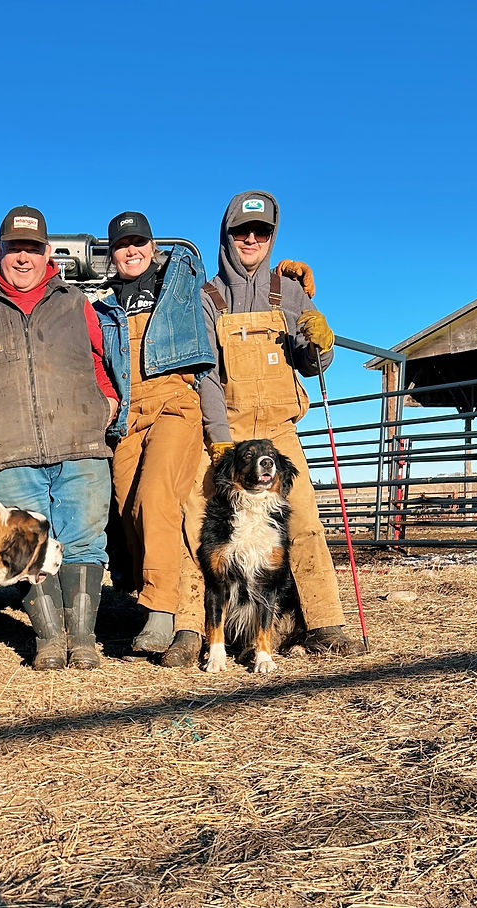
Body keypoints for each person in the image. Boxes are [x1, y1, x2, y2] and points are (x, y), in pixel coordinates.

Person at [0, 206, 118, 670]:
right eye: (13, 249)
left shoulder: (75, 303)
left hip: (80, 441)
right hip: (6, 450)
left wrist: (107, 404)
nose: (23, 258)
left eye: (32, 249)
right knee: (24, 545)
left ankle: (80, 639)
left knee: (84, 541)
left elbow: (101, 361)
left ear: (47, 254)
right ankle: (47, 640)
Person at [197, 190, 361, 655]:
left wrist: (320, 343)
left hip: (278, 430)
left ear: (272, 237)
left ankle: (325, 622)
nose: (251, 239)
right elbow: (207, 373)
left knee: (305, 519)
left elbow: (312, 362)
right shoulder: (209, 297)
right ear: (226, 236)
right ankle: (194, 630)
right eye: (241, 231)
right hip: (229, 433)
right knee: (199, 514)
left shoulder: (289, 292)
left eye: (262, 231)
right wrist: (220, 443)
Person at [93, 212, 216, 668]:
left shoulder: (177, 283)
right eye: (122, 244)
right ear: (112, 252)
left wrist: (283, 273)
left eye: (139, 242)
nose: (132, 250)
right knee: (127, 506)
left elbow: (200, 264)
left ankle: (162, 610)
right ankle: (148, 592)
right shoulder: (103, 307)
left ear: (152, 246)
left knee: (155, 496)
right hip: (129, 411)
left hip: (173, 400)